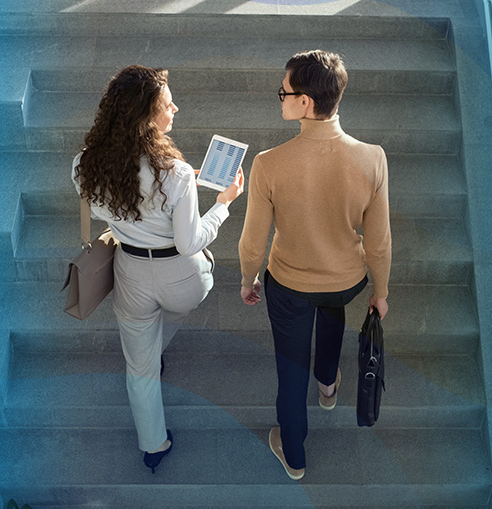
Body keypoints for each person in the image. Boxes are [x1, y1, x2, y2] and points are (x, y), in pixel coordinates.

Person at [72, 65, 244, 474]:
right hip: (182, 278)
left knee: (139, 367)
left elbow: (103, 209)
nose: (175, 109)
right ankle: (157, 347)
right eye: (168, 105)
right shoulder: (175, 173)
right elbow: (189, 241)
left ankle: (154, 445)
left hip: (130, 270)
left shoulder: (84, 163)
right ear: (147, 117)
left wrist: (184, 189)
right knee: (176, 307)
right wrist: (224, 203)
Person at [238, 50, 391, 480]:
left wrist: (248, 280)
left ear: (305, 102)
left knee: (290, 371)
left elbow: (253, 243)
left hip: (288, 284)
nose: (280, 98)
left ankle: (295, 455)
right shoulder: (372, 158)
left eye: (283, 92)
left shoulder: (268, 164)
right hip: (347, 280)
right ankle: (328, 385)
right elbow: (378, 243)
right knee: (331, 314)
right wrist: (380, 292)